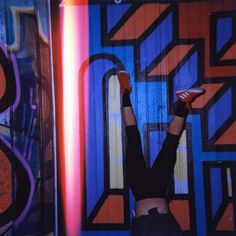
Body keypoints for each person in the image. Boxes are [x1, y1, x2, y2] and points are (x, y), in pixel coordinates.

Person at [117, 71, 205, 236]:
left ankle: (125, 91)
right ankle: (183, 103)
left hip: (141, 197)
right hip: (161, 199)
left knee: (133, 138)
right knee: (170, 145)